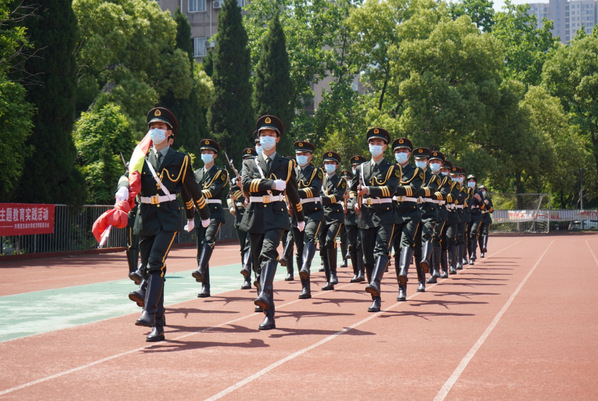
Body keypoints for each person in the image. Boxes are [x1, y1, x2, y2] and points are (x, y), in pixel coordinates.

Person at [116, 106, 210, 342]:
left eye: (160, 127)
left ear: (170, 133)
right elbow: (128, 176)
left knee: (155, 262)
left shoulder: (181, 159)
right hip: (145, 215)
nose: (155, 130)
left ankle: (148, 311)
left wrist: (203, 214)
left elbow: (191, 188)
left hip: (168, 217)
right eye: (152, 127)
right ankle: (158, 326)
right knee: (152, 267)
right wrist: (122, 187)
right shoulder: (141, 156)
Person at [240, 115, 305, 330]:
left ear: (277, 138)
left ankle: (264, 301)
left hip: (276, 215)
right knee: (258, 264)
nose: (266, 137)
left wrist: (300, 217)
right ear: (258, 138)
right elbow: (246, 184)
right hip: (255, 214)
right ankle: (267, 305)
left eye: (271, 134)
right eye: (263, 134)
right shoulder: (249, 162)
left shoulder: (286, 163)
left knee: (268, 253)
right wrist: (270, 184)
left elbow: (293, 192)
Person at [351, 128, 400, 312]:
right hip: (366, 214)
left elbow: (391, 190)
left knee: (382, 249)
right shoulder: (361, 168)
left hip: (385, 213)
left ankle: (375, 282)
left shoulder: (392, 168)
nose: (375, 146)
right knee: (368, 257)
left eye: (379, 143)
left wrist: (369, 190)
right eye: (372, 143)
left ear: (385, 146)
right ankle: (375, 298)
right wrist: (355, 202)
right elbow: (353, 189)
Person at [190, 139, 228, 298]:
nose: (206, 155)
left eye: (209, 152)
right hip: (200, 212)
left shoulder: (221, 173)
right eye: (203, 152)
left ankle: (200, 270)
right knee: (200, 250)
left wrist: (195, 196)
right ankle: (205, 286)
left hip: (214, 212)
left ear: (215, 155)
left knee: (208, 239)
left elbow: (213, 191)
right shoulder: (196, 173)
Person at [391, 137, 424, 301]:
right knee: (397, 250)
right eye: (397, 151)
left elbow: (413, 189)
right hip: (394, 212)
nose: (400, 153)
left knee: (406, 242)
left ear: (409, 154)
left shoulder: (417, 171)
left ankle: (404, 271)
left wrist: (392, 189)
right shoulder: (390, 170)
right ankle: (401, 287)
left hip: (410, 211)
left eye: (403, 151)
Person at [292, 140, 324, 300]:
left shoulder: (316, 171)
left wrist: (294, 193)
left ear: (310, 156)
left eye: (304, 154)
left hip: (313, 212)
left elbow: (314, 190)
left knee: (310, 237)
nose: (301, 156)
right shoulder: (291, 172)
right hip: (297, 213)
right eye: (298, 154)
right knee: (299, 250)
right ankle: (305, 286)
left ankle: (306, 265)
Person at [411, 147, 444, 292]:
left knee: (428, 234)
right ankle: (421, 280)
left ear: (427, 161)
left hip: (429, 211)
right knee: (416, 247)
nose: (420, 162)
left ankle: (426, 259)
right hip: (414, 211)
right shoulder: (410, 175)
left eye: (423, 159)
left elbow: (431, 191)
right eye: (418, 160)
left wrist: (412, 191)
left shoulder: (433, 177)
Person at [229, 147, 257, 290]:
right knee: (243, 248)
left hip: (254, 213)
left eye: (250, 159)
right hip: (240, 215)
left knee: (251, 245)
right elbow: (231, 194)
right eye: (245, 159)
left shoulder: (257, 176)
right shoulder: (236, 178)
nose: (247, 161)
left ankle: (257, 275)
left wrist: (245, 190)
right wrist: (232, 205)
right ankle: (246, 278)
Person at [319, 151, 347, 291]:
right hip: (321, 216)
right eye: (327, 163)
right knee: (323, 247)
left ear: (336, 166)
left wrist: (321, 199)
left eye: (332, 163)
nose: (329, 165)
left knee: (330, 240)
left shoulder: (340, 181)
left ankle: (333, 273)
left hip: (335, 215)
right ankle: (328, 279)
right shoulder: (319, 180)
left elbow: (337, 196)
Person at [345, 156, 367, 283]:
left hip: (363, 215)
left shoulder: (367, 179)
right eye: (354, 166)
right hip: (350, 217)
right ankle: (355, 272)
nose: (355, 169)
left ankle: (361, 271)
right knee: (352, 245)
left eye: (357, 166)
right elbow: (352, 192)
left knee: (360, 244)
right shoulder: (350, 181)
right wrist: (353, 202)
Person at [466, 174, 483, 265]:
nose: (471, 182)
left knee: (473, 232)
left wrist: (479, 199)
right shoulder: (465, 191)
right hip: (468, 215)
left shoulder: (478, 193)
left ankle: (473, 254)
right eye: (469, 181)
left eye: (473, 181)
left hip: (476, 216)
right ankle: (470, 255)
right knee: (468, 236)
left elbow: (483, 206)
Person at [478, 185, 493, 257]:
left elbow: (491, 210)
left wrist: (488, 204)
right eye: (480, 190)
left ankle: (484, 246)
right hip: (478, 217)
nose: (482, 191)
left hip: (486, 217)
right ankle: (482, 251)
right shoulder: (477, 199)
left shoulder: (488, 199)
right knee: (479, 235)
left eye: (483, 190)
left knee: (485, 232)